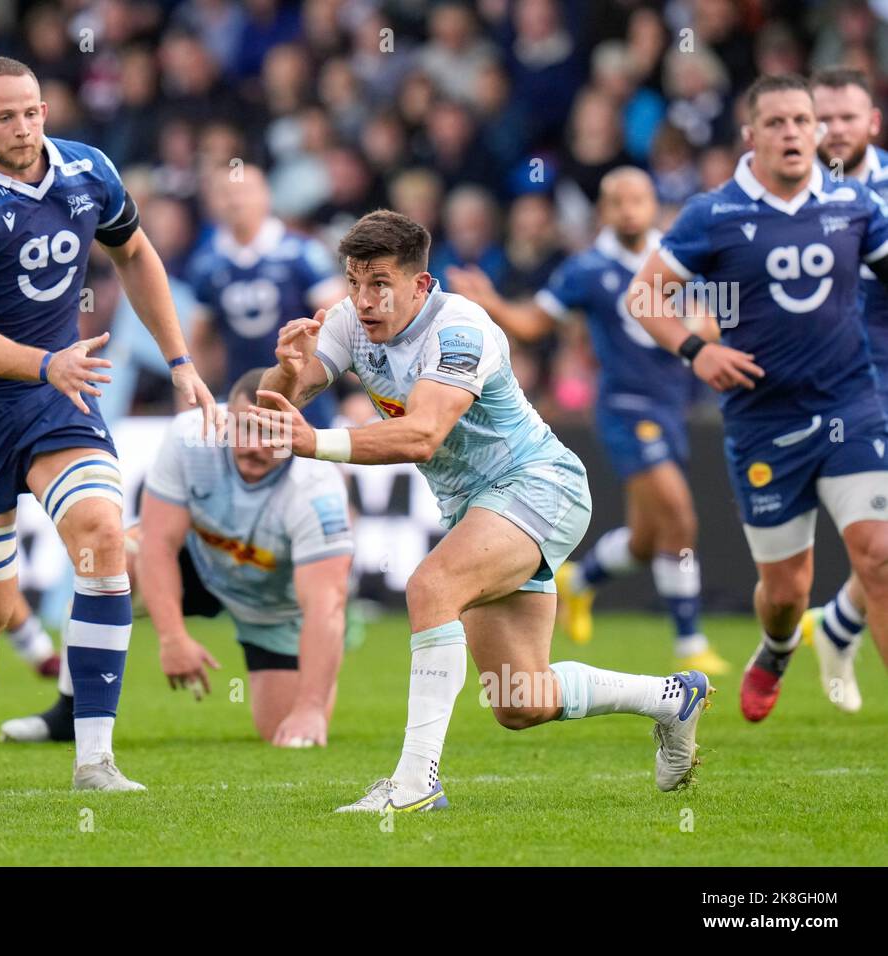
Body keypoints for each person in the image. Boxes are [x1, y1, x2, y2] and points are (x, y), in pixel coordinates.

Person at [251, 209, 711, 813]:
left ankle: (415, 785)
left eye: (380, 283)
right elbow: (275, 403)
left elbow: (421, 437)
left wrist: (316, 442)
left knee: (430, 586)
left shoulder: (460, 329)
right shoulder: (347, 321)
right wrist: (286, 369)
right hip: (476, 506)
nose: (364, 299)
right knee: (520, 699)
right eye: (355, 282)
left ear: (420, 284)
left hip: (540, 484)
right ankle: (671, 697)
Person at [0, 57, 215, 792]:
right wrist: (47, 365)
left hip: (58, 397)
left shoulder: (88, 170)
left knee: (105, 535)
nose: (25, 126)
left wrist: (179, 361)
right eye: (6, 116)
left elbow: (135, 253)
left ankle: (95, 760)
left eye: (34, 110)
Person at [626, 74, 888, 722]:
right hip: (763, 421)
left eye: (803, 120)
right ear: (750, 136)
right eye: (777, 123)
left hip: (851, 405)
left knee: (879, 555)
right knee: (785, 592)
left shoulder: (856, 204)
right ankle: (775, 650)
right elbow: (644, 295)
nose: (793, 132)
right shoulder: (714, 214)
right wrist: (697, 350)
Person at [448, 168, 729, 675]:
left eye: (637, 200)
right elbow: (536, 324)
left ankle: (579, 582)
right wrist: (491, 302)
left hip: (673, 406)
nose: (628, 210)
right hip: (625, 408)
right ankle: (691, 643)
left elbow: (709, 320)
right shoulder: (588, 269)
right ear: (603, 211)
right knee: (679, 517)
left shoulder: (678, 258)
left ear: (653, 204)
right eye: (618, 202)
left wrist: (703, 326)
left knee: (647, 539)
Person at [1, 369, 354, 747]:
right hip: (198, 561)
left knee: (288, 729)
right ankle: (70, 713)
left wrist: (311, 707)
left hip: (273, 603)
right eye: (244, 429)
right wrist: (172, 638)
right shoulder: (191, 434)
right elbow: (158, 543)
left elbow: (325, 605)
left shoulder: (318, 487)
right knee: (106, 560)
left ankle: (310, 700)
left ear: (294, 428)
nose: (255, 446)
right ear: (226, 419)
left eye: (270, 433)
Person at [802, 67, 888, 713]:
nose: (834, 130)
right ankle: (833, 625)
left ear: (872, 123)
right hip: (844, 385)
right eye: (821, 117)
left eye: (846, 117)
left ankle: (836, 624)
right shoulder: (785, 193)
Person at [186, 166, 345, 427]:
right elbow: (200, 341)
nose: (236, 201)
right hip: (240, 397)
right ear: (213, 202)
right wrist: (194, 402)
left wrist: (354, 390)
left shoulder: (302, 253)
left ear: (266, 196)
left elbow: (341, 323)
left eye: (245, 192)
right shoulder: (206, 263)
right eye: (226, 193)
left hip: (304, 397)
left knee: (313, 463)